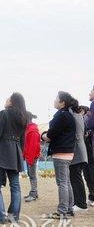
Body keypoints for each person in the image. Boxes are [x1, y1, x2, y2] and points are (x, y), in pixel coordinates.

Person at [0, 93, 28, 224]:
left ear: (12, 101)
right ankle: (14, 216)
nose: (6, 99)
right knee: (15, 186)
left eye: (9, 98)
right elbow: (23, 139)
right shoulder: (24, 117)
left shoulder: (4, 113)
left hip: (2, 151)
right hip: (15, 152)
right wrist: (20, 153)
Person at [42, 91, 76, 219]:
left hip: (61, 152)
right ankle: (69, 208)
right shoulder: (68, 115)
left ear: (62, 102)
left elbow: (51, 134)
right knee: (66, 181)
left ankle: (62, 211)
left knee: (62, 182)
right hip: (68, 152)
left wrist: (43, 136)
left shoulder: (61, 115)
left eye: (57, 98)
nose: (55, 100)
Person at [69, 100, 88, 212]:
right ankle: (79, 202)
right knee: (76, 178)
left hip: (77, 151)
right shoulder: (78, 116)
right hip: (80, 150)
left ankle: (81, 204)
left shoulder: (73, 116)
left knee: (76, 178)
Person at [23, 112, 41, 202]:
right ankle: (34, 193)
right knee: (31, 175)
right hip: (29, 156)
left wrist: (29, 159)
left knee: (32, 175)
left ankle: (33, 193)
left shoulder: (32, 130)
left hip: (32, 157)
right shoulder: (29, 129)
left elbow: (33, 146)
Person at [82, 103, 94, 207]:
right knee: (87, 176)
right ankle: (91, 196)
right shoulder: (84, 122)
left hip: (90, 153)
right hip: (86, 153)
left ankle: (92, 196)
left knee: (90, 175)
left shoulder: (88, 121)